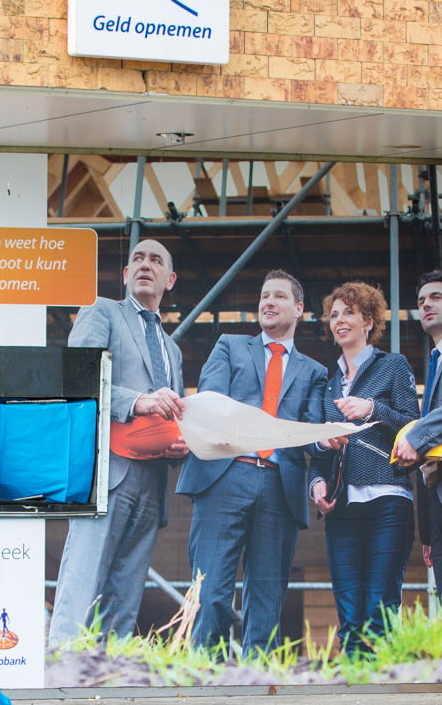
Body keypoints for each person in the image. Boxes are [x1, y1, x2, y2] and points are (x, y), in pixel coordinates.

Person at [177, 270, 327, 655]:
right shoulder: (230, 346)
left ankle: (256, 677)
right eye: (264, 296)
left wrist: (326, 438)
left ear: (299, 308)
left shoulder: (315, 372)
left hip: (279, 487)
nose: (268, 302)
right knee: (211, 591)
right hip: (225, 476)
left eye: (279, 296)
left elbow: (312, 429)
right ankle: (205, 673)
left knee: (267, 598)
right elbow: (209, 403)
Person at [47, 240, 188, 647]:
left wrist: (178, 447)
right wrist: (138, 401)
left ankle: (111, 675)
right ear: (126, 275)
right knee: (83, 580)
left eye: (156, 260)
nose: (145, 265)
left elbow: (174, 413)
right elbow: (78, 377)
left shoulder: (173, 350)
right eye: (137, 259)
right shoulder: (102, 311)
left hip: (152, 481)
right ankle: (63, 669)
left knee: (125, 595)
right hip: (109, 470)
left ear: (170, 280)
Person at [307, 282, 418, 653]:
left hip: (388, 500)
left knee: (379, 608)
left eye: (349, 313)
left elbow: (413, 425)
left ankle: (382, 681)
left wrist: (372, 409)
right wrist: (317, 482)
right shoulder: (329, 385)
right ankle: (354, 679)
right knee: (350, 615)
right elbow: (319, 451)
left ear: (368, 321)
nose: (339, 320)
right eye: (334, 314)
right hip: (342, 507)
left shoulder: (393, 365)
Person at [396, 269, 442, 610]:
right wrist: (427, 529)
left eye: (436, 297)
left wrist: (416, 435)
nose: (426, 305)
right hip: (438, 505)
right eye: (421, 301)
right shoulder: (437, 359)